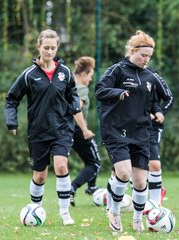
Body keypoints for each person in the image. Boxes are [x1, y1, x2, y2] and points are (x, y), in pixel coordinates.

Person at [5, 29, 80, 226]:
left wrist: (75, 105)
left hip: (62, 128)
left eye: (53, 48)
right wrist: (12, 121)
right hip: (38, 132)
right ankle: (34, 210)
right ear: (39, 47)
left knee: (61, 166)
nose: (49, 51)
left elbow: (73, 92)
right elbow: (11, 99)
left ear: (57, 48)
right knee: (39, 176)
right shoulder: (29, 75)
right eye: (45, 47)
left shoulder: (65, 72)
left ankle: (65, 214)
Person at [95, 30, 164, 233]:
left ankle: (136, 219)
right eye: (143, 55)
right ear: (132, 51)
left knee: (141, 180)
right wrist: (117, 93)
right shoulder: (117, 70)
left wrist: (158, 112)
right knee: (123, 173)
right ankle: (114, 212)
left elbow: (153, 103)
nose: (146, 60)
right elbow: (99, 90)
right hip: (116, 129)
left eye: (149, 56)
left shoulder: (150, 77)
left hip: (141, 132)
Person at [69, 56, 101, 207]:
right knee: (94, 163)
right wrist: (85, 129)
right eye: (89, 76)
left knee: (91, 160)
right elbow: (76, 110)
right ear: (83, 75)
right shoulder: (81, 88)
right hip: (78, 131)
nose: (89, 79)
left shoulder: (69, 85)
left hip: (68, 131)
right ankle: (72, 188)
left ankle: (91, 187)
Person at [147, 70, 174, 206]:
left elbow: (169, 98)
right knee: (126, 169)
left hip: (152, 126)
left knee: (154, 165)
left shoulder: (152, 75)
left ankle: (155, 205)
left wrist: (159, 113)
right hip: (129, 126)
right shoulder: (120, 72)